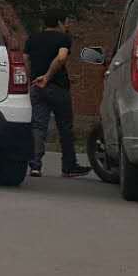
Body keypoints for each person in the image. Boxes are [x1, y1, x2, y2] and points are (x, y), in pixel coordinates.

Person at [27, 10, 90, 178]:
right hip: (57, 88)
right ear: (59, 23)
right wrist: (47, 76)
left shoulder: (33, 38)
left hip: (36, 87)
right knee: (65, 128)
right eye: (66, 22)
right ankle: (69, 166)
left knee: (38, 126)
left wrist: (33, 78)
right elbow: (61, 57)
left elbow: (26, 59)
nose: (68, 25)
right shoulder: (63, 38)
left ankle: (35, 165)